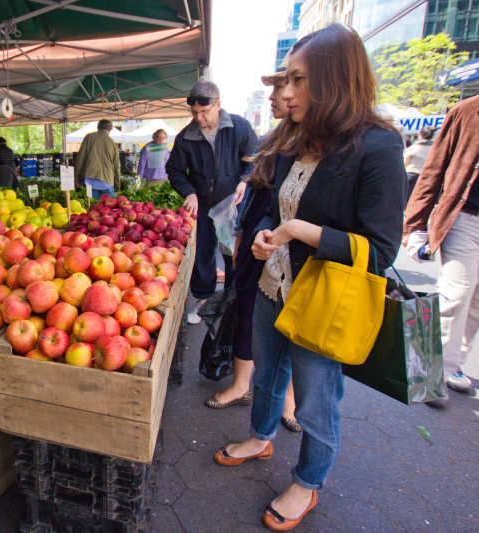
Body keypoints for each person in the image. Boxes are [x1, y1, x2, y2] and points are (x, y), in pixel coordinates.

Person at [214, 25, 405, 531]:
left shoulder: (377, 147)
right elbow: (271, 207)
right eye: (287, 80)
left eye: (299, 80)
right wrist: (262, 234)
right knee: (269, 373)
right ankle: (259, 437)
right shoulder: (295, 138)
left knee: (318, 400)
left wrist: (305, 232)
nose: (286, 92)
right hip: (273, 286)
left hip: (325, 300)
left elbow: (383, 250)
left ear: (335, 81)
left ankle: (308, 480)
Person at [206, 64, 301, 435]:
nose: (276, 97)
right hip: (258, 240)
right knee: (246, 310)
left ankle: (290, 402)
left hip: (296, 248)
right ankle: (241, 384)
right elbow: (262, 184)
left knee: (295, 327)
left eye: (283, 88)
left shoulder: (315, 144)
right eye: (278, 88)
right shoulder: (273, 138)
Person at [404, 95, 479, 395]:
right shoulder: (466, 111)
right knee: (456, 292)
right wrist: (415, 226)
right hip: (465, 216)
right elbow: (433, 168)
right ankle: (432, 373)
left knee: (476, 300)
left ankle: (454, 363)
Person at [166, 80, 257, 325]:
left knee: (232, 252)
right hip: (204, 204)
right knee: (204, 253)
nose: (199, 117)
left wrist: (245, 181)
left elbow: (254, 160)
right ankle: (204, 297)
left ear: (218, 104)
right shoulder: (186, 137)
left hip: (232, 201)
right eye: (194, 112)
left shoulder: (239, 127)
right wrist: (189, 192)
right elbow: (174, 170)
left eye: (204, 112)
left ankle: (231, 298)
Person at [75, 119, 121, 199]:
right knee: (107, 210)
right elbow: (116, 167)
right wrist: (117, 184)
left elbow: (80, 159)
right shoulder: (112, 143)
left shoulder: (89, 138)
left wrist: (77, 178)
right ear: (110, 129)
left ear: (98, 127)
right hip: (107, 182)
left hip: (90, 182)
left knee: (91, 208)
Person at [403, 126, 435, 202]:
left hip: (412, 176)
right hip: (427, 177)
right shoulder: (434, 148)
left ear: (420, 135)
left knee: (406, 201)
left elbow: (405, 162)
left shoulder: (414, 147)